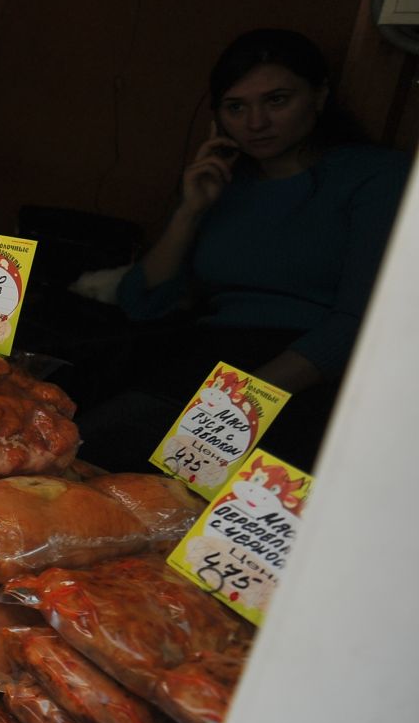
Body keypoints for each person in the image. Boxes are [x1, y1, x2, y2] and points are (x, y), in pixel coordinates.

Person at [81, 28, 410, 469]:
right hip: (209, 356)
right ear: (217, 118)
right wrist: (190, 211)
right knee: (82, 454)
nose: (256, 123)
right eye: (237, 107)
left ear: (319, 96)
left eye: (277, 100)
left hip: (310, 370)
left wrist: (237, 402)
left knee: (198, 496)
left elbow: (360, 323)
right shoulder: (223, 180)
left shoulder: (375, 177)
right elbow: (142, 302)